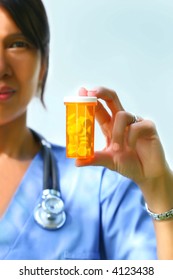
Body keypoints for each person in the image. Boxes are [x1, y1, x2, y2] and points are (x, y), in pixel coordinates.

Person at [0, 0, 170, 260]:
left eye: (17, 44)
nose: (1, 68)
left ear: (43, 63)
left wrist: (159, 189)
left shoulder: (100, 186)